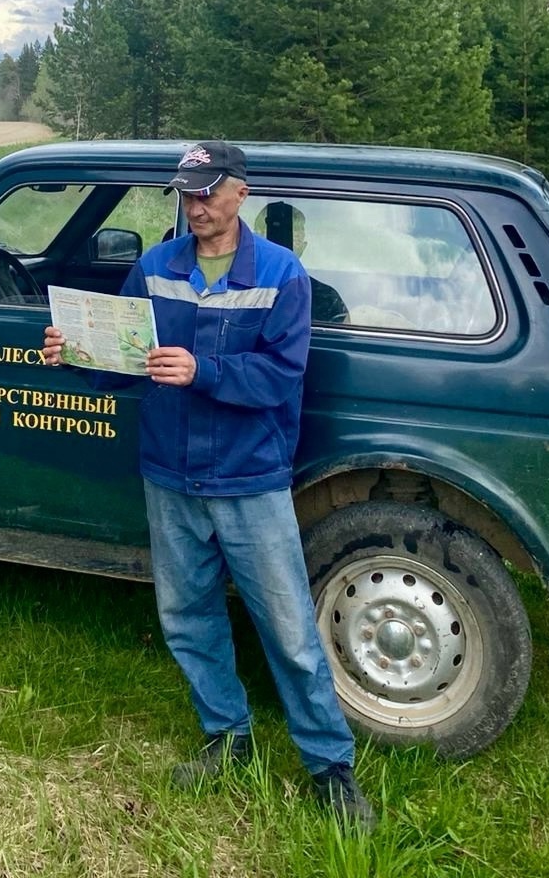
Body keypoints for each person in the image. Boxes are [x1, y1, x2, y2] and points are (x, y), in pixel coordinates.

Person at [42, 142, 375, 830]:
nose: (194, 205)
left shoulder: (281, 276)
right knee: (188, 618)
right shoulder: (156, 267)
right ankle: (228, 736)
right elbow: (129, 362)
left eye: (207, 193)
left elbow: (282, 380)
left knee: (287, 628)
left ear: (239, 193)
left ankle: (329, 767)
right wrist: (75, 354)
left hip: (248, 480)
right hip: (170, 475)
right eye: (186, 194)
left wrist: (204, 371)